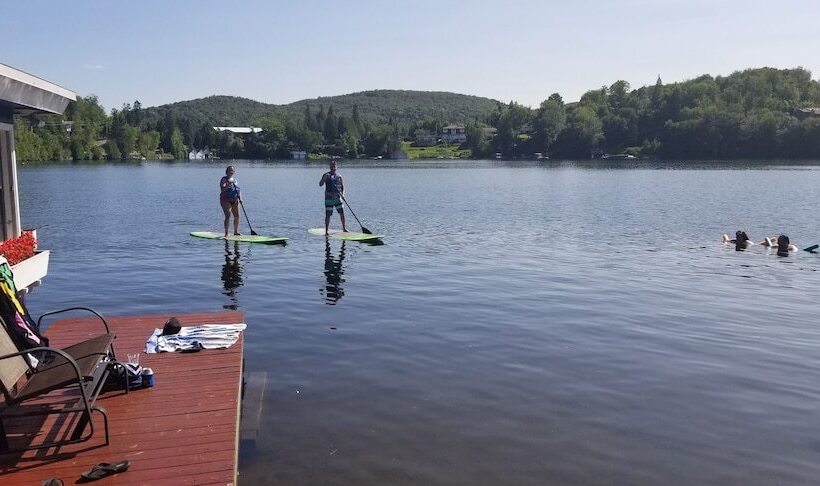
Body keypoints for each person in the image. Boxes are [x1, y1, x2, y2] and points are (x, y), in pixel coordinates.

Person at [319, 160, 348, 235]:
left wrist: (343, 194)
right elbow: (320, 184)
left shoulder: (339, 176)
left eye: (334, 166)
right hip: (329, 198)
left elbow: (342, 187)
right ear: (330, 167)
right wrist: (324, 178)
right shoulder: (326, 175)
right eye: (332, 166)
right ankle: (326, 231)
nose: (333, 168)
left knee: (342, 213)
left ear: (336, 167)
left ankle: (344, 228)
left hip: (337, 198)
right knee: (328, 215)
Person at [220, 166, 241, 237]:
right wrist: (228, 185)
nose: (231, 172)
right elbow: (222, 189)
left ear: (234, 172)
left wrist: (240, 198)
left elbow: (239, 190)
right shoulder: (224, 179)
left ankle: (235, 232)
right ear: (226, 172)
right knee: (228, 215)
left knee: (237, 216)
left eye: (232, 171)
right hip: (226, 200)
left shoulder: (235, 180)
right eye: (229, 170)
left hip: (235, 200)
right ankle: (226, 233)